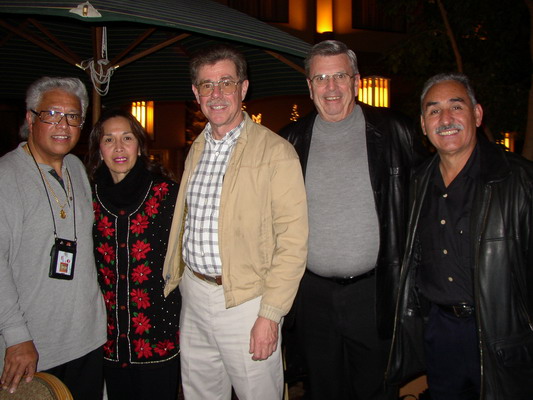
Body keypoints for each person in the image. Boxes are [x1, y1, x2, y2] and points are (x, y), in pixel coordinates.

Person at [162, 44, 308, 400]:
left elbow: (293, 241)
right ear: (196, 93)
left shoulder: (276, 152)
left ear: (243, 88)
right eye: (207, 85)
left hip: (247, 301)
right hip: (194, 294)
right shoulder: (196, 148)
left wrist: (269, 315)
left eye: (226, 83)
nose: (217, 94)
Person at [279, 40, 420, 400]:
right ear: (309, 85)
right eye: (321, 78)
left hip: (374, 293)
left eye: (340, 76)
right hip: (311, 295)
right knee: (323, 389)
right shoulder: (289, 142)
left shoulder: (396, 131)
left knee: (377, 390)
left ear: (356, 81)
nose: (331, 87)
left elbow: (427, 203)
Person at [386, 73, 533, 399]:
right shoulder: (415, 183)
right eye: (434, 110)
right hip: (440, 331)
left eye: (456, 106)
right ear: (423, 125)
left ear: (477, 114)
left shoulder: (519, 181)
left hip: (502, 333)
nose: (445, 119)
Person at [0, 76, 107, 398]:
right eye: (52, 114)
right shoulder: (6, 176)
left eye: (73, 116)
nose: (63, 125)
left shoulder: (76, 167)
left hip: (87, 338)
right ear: (31, 118)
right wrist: (16, 336)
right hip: (32, 346)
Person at [86, 110, 181, 400]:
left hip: (158, 335)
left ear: (139, 146)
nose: (118, 147)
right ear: (99, 149)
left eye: (127, 138)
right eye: (109, 139)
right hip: (107, 339)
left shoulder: (167, 195)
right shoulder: (87, 197)